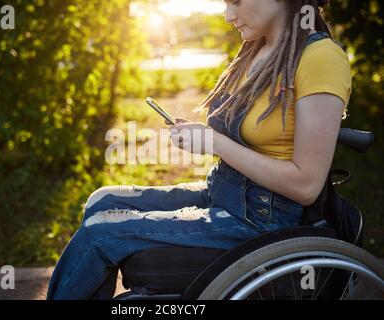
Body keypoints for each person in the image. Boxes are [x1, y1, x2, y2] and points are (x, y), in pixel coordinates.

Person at [47, 0, 351, 300]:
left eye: (235, 2)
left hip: (264, 221)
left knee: (100, 234)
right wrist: (200, 134)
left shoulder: (320, 58)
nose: (228, 15)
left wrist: (215, 142)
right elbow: (249, 137)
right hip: (223, 193)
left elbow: (307, 185)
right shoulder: (258, 48)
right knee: (102, 201)